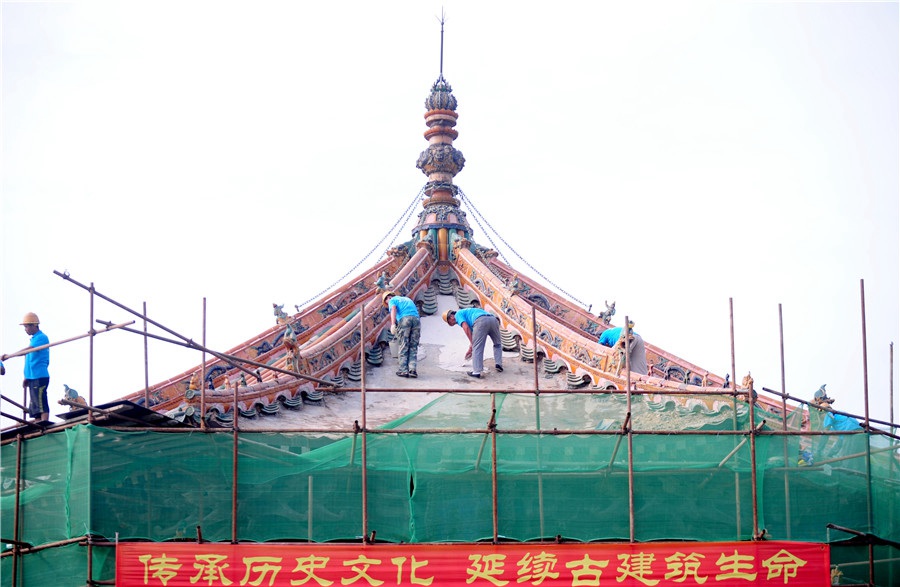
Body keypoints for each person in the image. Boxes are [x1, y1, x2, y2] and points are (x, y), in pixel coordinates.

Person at [442, 307, 503, 378]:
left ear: (451, 316)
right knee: (497, 343)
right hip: (493, 319)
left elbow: (466, 328)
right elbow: (474, 335)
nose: (452, 324)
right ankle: (498, 364)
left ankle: (476, 371)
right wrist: (470, 348)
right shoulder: (468, 314)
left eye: (449, 322)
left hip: (480, 321)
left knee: (477, 347)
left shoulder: (458, 315)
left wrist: (473, 344)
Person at [20, 312, 51, 422]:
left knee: (41, 402)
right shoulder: (34, 339)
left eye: (27, 326)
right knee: (35, 406)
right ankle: (38, 424)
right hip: (32, 377)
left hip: (39, 376)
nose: (25, 329)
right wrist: (26, 377)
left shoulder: (41, 337)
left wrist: (12, 355)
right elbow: (29, 361)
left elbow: (29, 350)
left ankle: (44, 423)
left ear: (34, 325)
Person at [383, 291, 421, 378]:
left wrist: (393, 324)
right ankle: (412, 370)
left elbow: (393, 309)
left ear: (388, 298)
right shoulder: (407, 299)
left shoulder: (392, 300)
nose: (387, 303)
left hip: (405, 320)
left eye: (386, 302)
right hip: (416, 321)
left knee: (403, 345)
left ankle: (403, 370)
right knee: (413, 345)